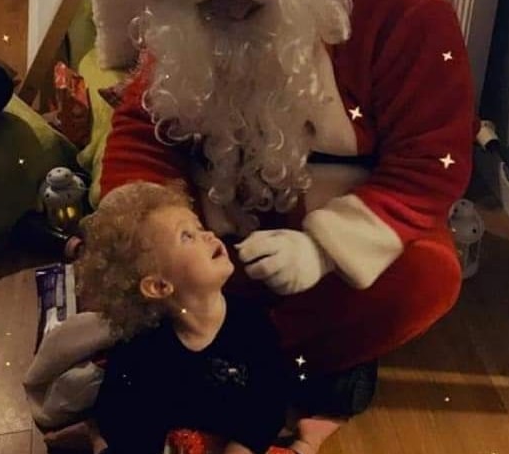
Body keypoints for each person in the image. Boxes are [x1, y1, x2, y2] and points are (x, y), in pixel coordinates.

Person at [98, 0, 477, 447]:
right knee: (124, 258)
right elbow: (141, 128)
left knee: (427, 277)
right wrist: (136, 230)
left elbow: (430, 163)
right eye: (206, 7)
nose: (227, 14)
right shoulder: (186, 26)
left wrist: (324, 250)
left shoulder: (406, 9)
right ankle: (280, 375)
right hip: (215, 232)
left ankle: (217, 364)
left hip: (346, 220)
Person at [77, 181, 335, 454]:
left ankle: (308, 439)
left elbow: (270, 395)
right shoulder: (141, 351)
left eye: (199, 227)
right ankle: (90, 436)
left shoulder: (250, 324)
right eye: (187, 236)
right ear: (160, 286)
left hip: (236, 435)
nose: (209, 235)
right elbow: (122, 416)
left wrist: (244, 444)